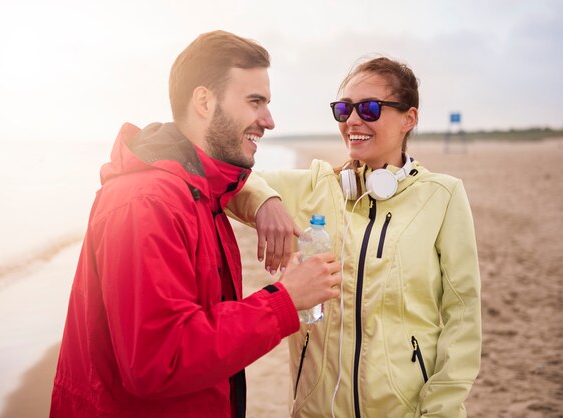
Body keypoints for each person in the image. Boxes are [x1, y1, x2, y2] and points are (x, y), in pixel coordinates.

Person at [50, 30, 341, 418]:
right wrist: (284, 301)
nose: (268, 121)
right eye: (255, 102)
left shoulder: (203, 194)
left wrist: (264, 198)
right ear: (204, 100)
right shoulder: (147, 204)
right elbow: (159, 361)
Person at [228, 56, 481, 417]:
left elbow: (463, 316)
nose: (353, 121)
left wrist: (441, 409)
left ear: (409, 118)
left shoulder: (443, 196)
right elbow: (229, 177)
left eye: (370, 108)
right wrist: (266, 200)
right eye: (344, 109)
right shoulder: (315, 185)